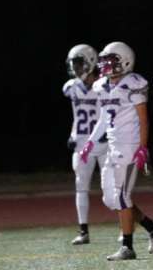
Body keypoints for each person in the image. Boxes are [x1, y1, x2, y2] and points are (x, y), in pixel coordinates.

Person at [80, 41, 153, 261]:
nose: (106, 65)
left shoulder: (134, 83)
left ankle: (127, 247)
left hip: (129, 147)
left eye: (111, 61)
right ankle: (151, 226)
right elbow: (103, 118)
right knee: (111, 199)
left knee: (121, 197)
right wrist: (90, 142)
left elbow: (143, 120)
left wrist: (142, 148)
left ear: (124, 62)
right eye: (105, 61)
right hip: (111, 147)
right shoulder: (102, 86)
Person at [62, 44, 109, 245]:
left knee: (112, 190)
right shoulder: (71, 87)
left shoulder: (103, 85)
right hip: (81, 144)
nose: (76, 68)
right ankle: (83, 231)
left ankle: (125, 228)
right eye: (74, 64)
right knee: (81, 187)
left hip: (103, 141)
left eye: (79, 63)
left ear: (90, 62)